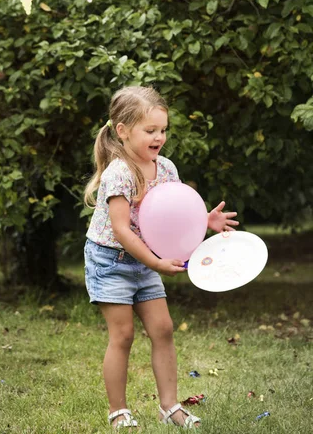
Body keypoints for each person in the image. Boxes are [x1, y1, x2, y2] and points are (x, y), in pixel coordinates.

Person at [84, 86, 239, 429]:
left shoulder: (166, 168)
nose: (159, 137)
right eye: (150, 130)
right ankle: (118, 411)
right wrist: (155, 263)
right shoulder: (119, 173)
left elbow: (174, 214)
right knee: (122, 335)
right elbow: (123, 229)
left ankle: (170, 407)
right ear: (122, 130)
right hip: (111, 261)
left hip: (145, 259)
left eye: (163, 130)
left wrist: (205, 221)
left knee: (164, 329)